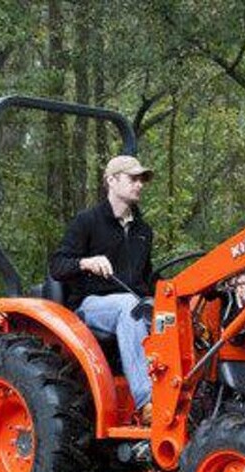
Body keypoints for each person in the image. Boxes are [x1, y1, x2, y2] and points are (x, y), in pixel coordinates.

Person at [50, 155, 158, 425]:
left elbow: (149, 278)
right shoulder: (87, 221)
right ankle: (149, 403)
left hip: (134, 301)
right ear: (112, 180)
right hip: (91, 306)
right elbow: (58, 266)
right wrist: (86, 262)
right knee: (128, 307)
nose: (140, 185)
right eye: (133, 178)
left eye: (142, 179)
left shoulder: (143, 231)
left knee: (174, 312)